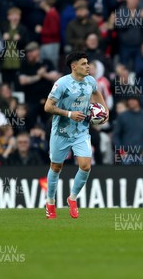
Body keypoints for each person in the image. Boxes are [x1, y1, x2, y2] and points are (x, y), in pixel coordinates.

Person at [43, 52, 109, 219]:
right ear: (74, 67)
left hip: (81, 131)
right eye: (84, 64)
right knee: (56, 167)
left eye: (88, 63)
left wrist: (105, 112)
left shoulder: (90, 81)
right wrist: (69, 114)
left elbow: (97, 94)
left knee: (86, 165)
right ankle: (50, 202)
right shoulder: (62, 84)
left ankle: (72, 198)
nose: (88, 66)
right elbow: (48, 107)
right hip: (61, 131)